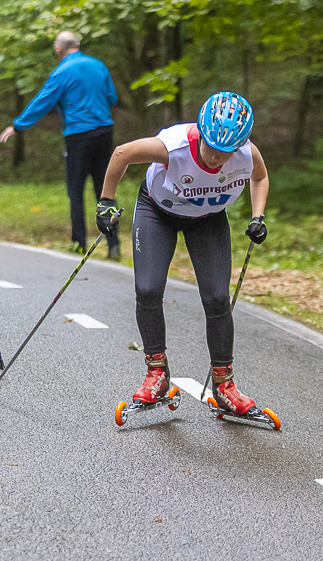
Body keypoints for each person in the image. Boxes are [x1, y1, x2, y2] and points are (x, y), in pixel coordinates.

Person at [95, 91, 270, 415]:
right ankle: (156, 374)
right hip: (157, 212)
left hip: (207, 220)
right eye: (212, 148)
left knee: (218, 298)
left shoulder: (246, 152)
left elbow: (259, 177)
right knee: (147, 289)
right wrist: (106, 202)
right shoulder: (172, 147)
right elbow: (121, 154)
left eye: (226, 152)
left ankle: (225, 385)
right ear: (201, 134)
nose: (218, 158)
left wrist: (257, 216)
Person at [0, 32, 120, 259]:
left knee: (76, 191)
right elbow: (112, 98)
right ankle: (113, 245)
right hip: (104, 133)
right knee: (105, 191)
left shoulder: (61, 72)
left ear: (58, 49)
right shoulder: (99, 65)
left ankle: (79, 244)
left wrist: (18, 126)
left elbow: (42, 102)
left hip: (78, 136)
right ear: (78, 45)